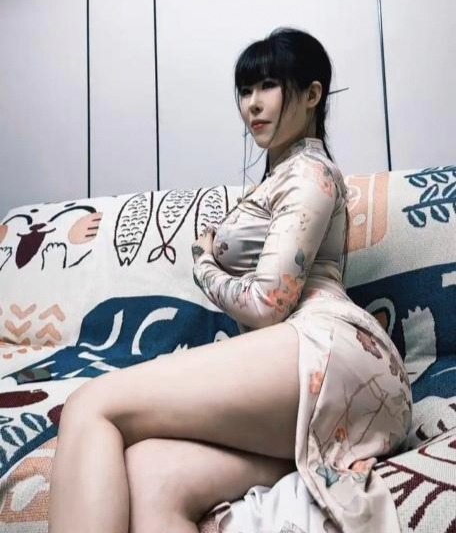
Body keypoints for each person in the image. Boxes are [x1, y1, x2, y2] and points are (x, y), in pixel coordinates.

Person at [48, 27, 412, 533]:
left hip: (331, 350)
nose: (252, 104)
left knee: (89, 404)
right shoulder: (279, 179)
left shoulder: (311, 173)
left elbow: (269, 303)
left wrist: (204, 263)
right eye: (245, 90)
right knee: (151, 474)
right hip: (310, 378)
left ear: (312, 95)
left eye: (268, 86)